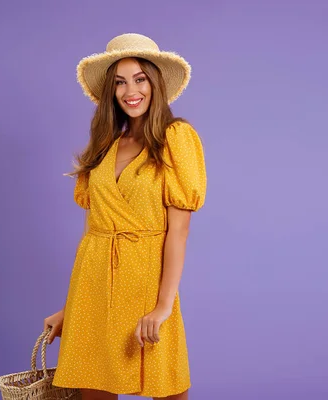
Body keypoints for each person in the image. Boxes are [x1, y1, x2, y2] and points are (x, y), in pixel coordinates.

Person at [43, 33, 207, 400]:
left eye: (139, 79)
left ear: (155, 83)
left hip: (147, 285)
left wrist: (163, 306)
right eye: (119, 82)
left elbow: (177, 234)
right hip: (94, 289)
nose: (129, 90)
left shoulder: (175, 138)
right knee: (94, 390)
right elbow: (92, 233)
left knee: (167, 387)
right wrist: (70, 309)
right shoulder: (105, 146)